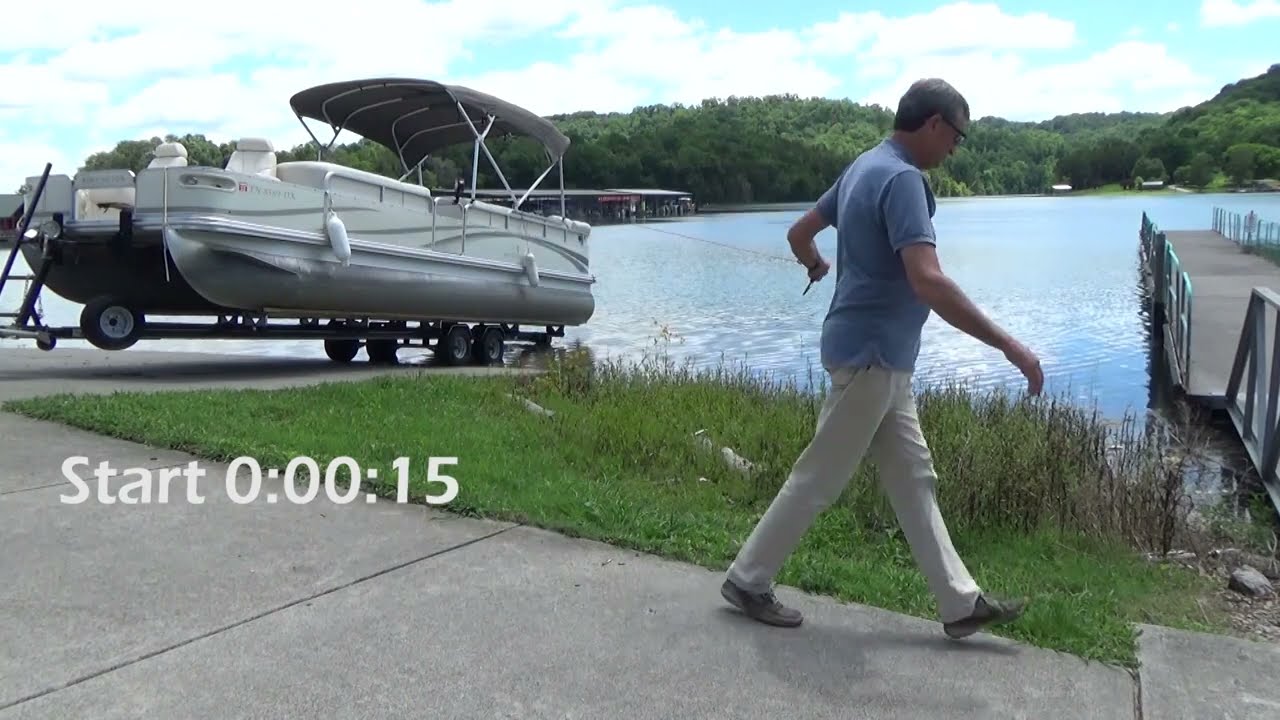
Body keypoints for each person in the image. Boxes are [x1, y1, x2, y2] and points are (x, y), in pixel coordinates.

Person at [719, 78, 1044, 640]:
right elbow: (928, 280)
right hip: (872, 357)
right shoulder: (902, 180)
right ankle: (748, 579)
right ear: (934, 123)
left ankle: (960, 603)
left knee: (914, 478)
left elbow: (799, 234)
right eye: (957, 137)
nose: (955, 149)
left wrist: (815, 263)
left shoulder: (863, 167)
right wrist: (1009, 345)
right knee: (819, 475)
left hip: (877, 357)